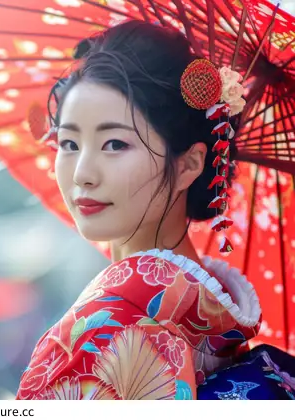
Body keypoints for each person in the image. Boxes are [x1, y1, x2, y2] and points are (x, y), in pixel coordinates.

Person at [16, 20, 294, 400]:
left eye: (114, 144)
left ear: (188, 165)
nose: (82, 174)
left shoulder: (97, 334)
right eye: (68, 143)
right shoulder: (220, 322)